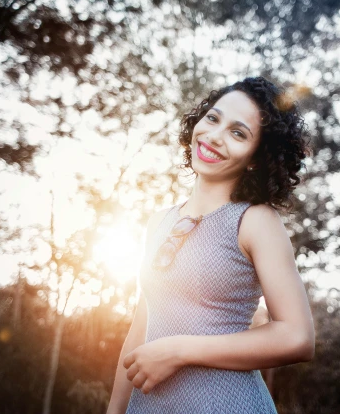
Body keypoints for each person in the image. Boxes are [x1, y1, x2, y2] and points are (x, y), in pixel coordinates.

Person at [107, 77, 315, 414]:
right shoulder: (157, 222)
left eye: (238, 133)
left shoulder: (255, 221)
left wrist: (180, 350)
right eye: (213, 118)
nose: (215, 136)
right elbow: (139, 331)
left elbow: (297, 337)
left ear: (256, 158)